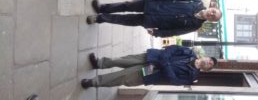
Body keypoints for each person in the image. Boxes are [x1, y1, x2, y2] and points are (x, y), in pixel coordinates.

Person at [86, 0, 222, 37]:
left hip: (153, 21)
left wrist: (157, 33)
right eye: (213, 12)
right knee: (126, 6)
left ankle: (100, 18)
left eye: (213, 17)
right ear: (212, 7)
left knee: (124, 20)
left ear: (211, 20)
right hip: (154, 4)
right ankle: (102, 8)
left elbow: (175, 31)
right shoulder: (196, 1)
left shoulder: (195, 26)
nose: (211, 14)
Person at [80, 45, 218, 88]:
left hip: (153, 71)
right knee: (123, 60)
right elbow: (172, 49)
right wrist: (165, 60)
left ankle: (93, 82)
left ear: (206, 69)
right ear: (205, 57)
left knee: (123, 77)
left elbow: (174, 80)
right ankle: (99, 63)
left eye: (211, 65)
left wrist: (165, 64)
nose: (209, 62)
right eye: (210, 60)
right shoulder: (190, 52)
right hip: (153, 57)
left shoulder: (191, 76)